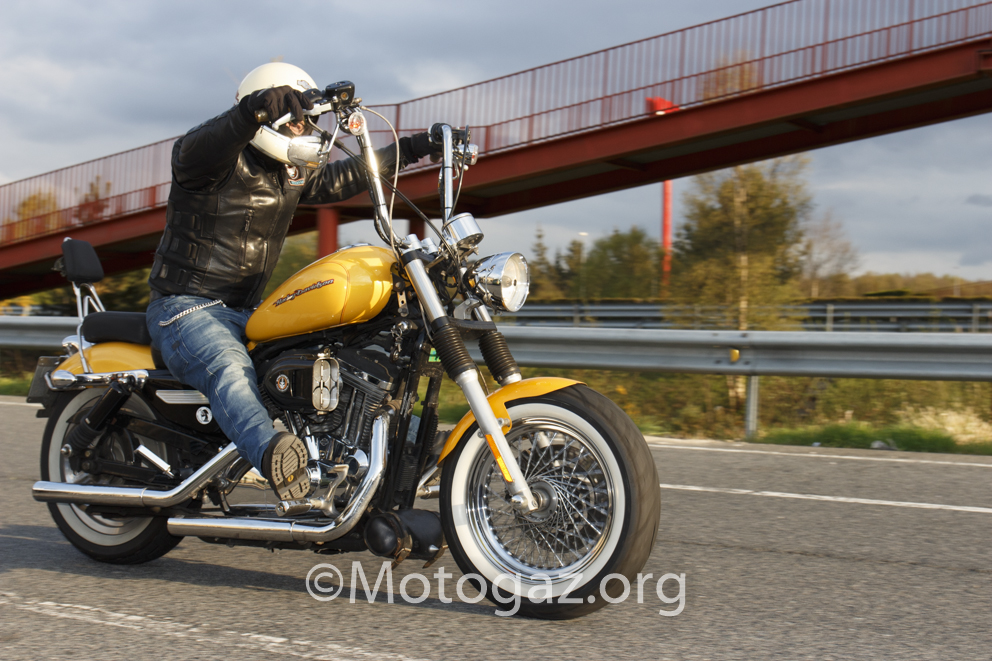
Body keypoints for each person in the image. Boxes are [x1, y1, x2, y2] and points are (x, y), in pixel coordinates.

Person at [145, 63, 439, 502]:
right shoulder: (208, 162)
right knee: (229, 366)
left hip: (249, 310)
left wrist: (415, 147)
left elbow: (342, 177)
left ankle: (410, 442)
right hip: (185, 306)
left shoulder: (289, 171)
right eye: (295, 117)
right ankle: (274, 454)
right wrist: (251, 110)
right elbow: (198, 144)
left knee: (333, 357)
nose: (304, 127)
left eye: (308, 119)